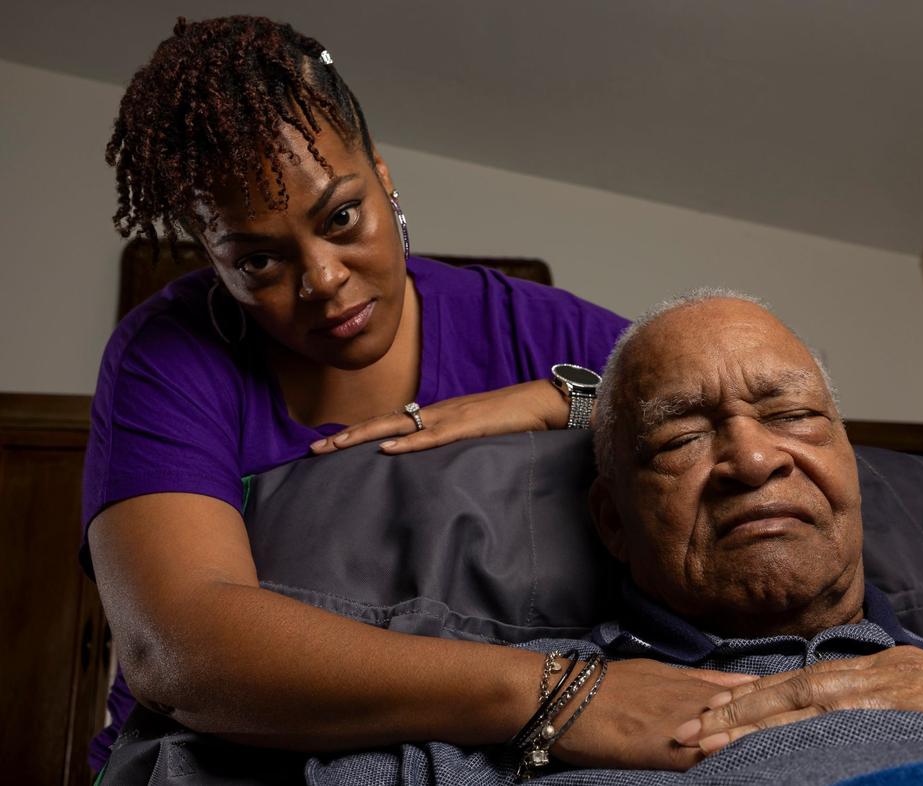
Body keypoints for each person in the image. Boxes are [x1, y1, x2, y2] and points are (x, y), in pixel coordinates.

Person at [85, 15, 749, 775]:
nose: (323, 279)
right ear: (212, 257)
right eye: (258, 261)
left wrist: (562, 404)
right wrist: (563, 696)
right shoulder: (168, 357)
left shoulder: (527, 326)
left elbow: (766, 417)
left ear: (383, 173)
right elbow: (177, 649)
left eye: (341, 218)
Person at [298, 290, 923, 784]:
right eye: (680, 438)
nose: (752, 457)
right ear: (611, 521)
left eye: (792, 415)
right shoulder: (486, 740)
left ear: (849, 468)